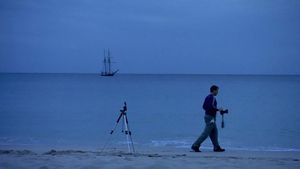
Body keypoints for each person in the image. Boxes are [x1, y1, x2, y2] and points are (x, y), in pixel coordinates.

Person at [191, 85, 225, 152]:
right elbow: (211, 107)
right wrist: (218, 109)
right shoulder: (212, 98)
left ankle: (216, 147)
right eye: (217, 90)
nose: (218, 92)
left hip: (208, 116)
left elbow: (204, 106)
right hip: (210, 118)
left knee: (214, 132)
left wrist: (212, 111)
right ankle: (195, 145)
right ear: (214, 90)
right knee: (206, 133)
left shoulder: (207, 97)